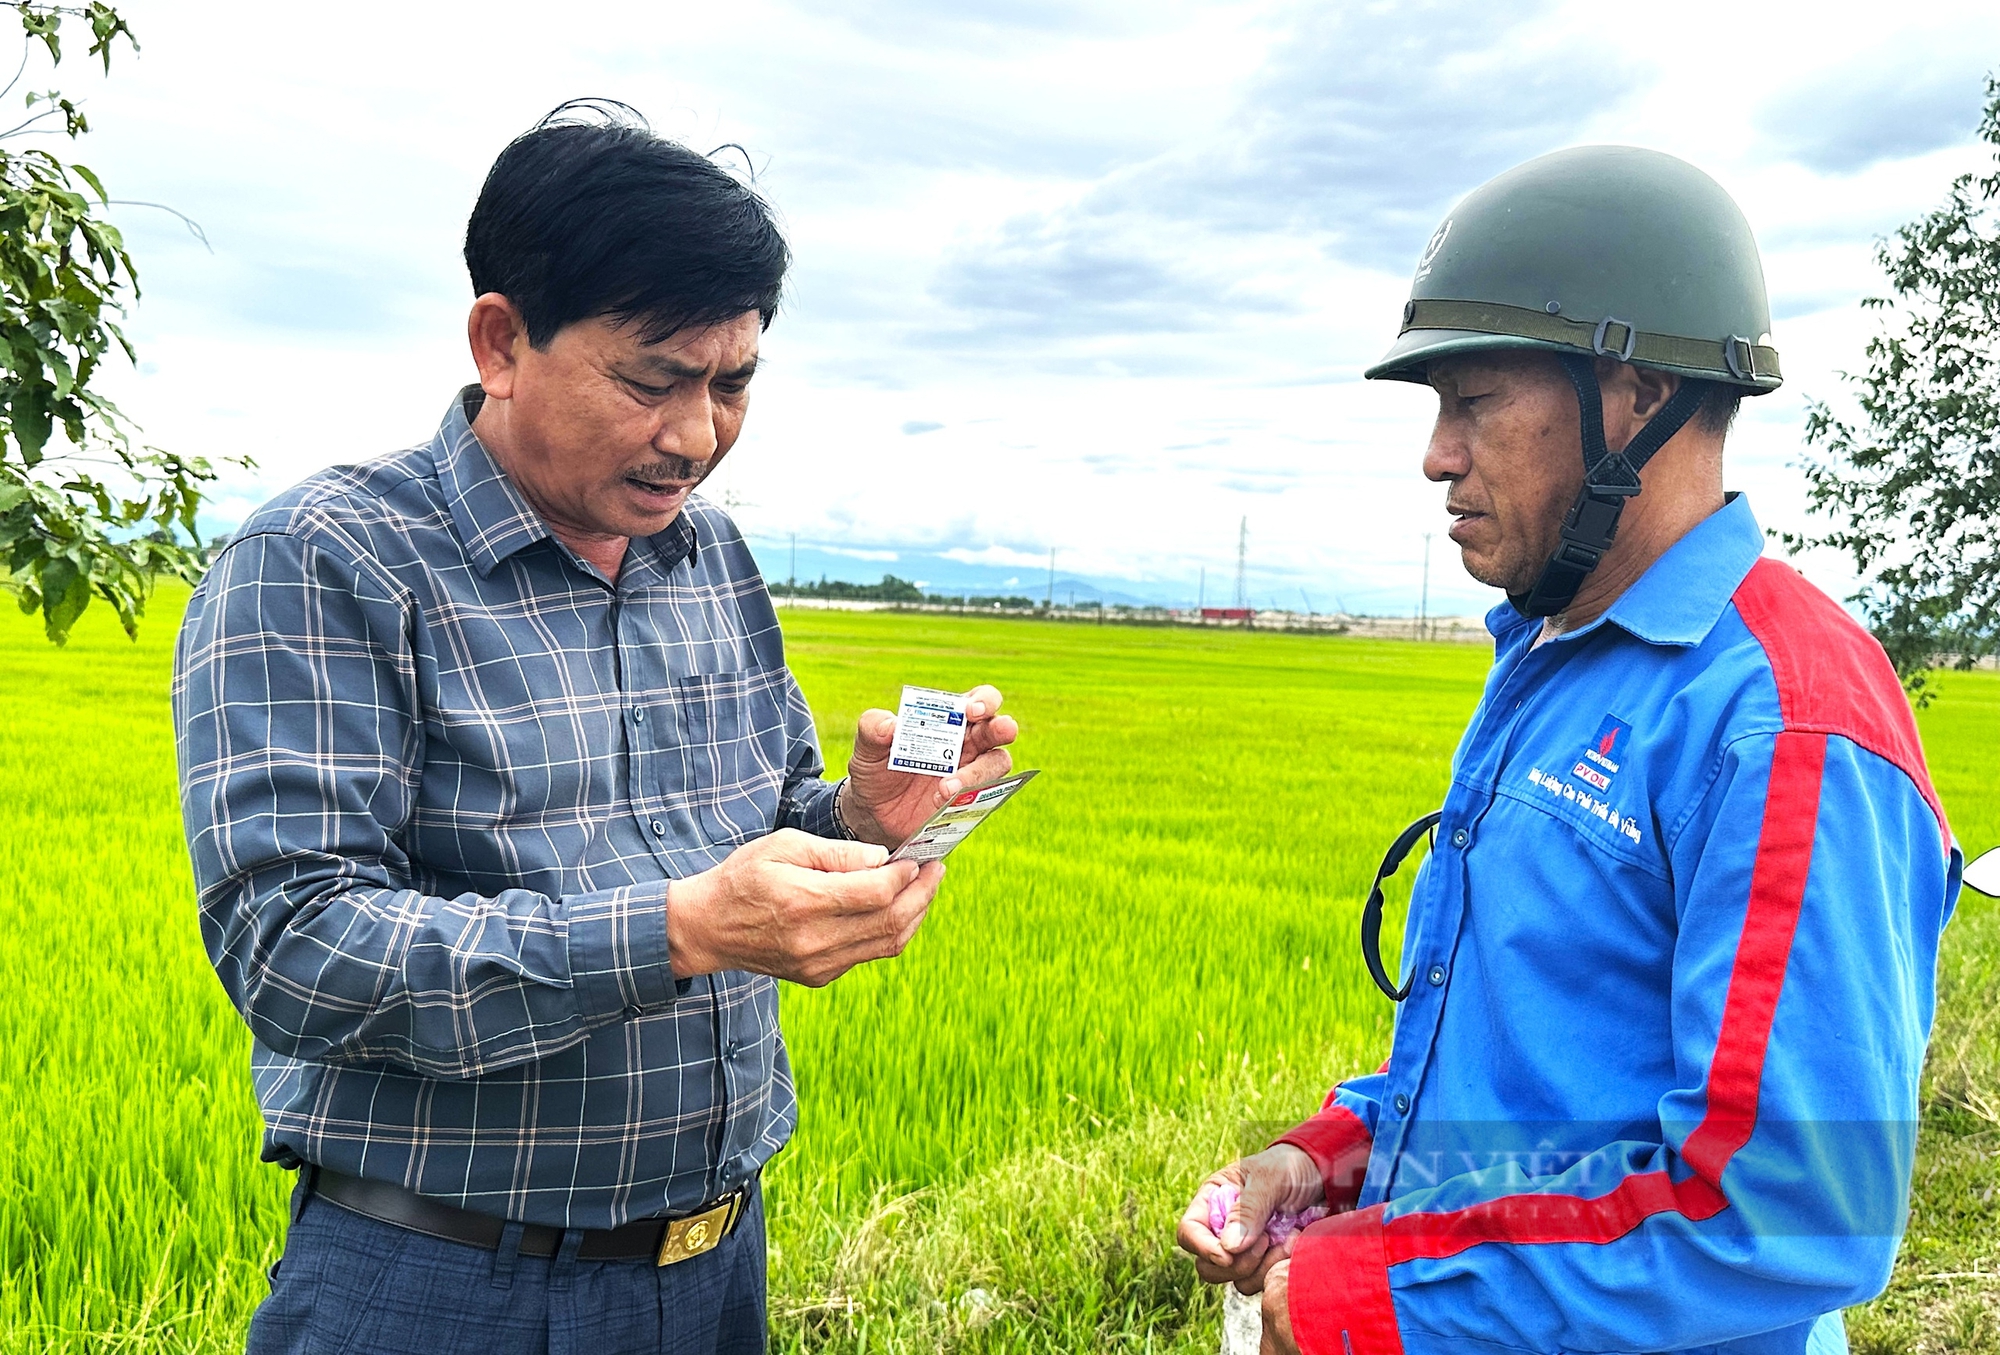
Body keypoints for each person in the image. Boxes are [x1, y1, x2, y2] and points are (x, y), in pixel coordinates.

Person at [173, 102, 1016, 1355]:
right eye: (652, 379)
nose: (695, 435)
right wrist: (676, 929)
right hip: (441, 1281)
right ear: (502, 339)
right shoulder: (325, 559)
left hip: (717, 1263)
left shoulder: (708, 558)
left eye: (732, 383)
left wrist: (853, 818)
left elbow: (756, 823)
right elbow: (293, 944)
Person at [1177, 145, 1963, 1355]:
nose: (1436, 455)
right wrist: (1330, 1153)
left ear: (1634, 393)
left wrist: (1381, 1298)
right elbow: (1532, 1062)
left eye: (1473, 401)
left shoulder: (1783, 721)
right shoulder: (1553, 655)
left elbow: (1794, 1209)